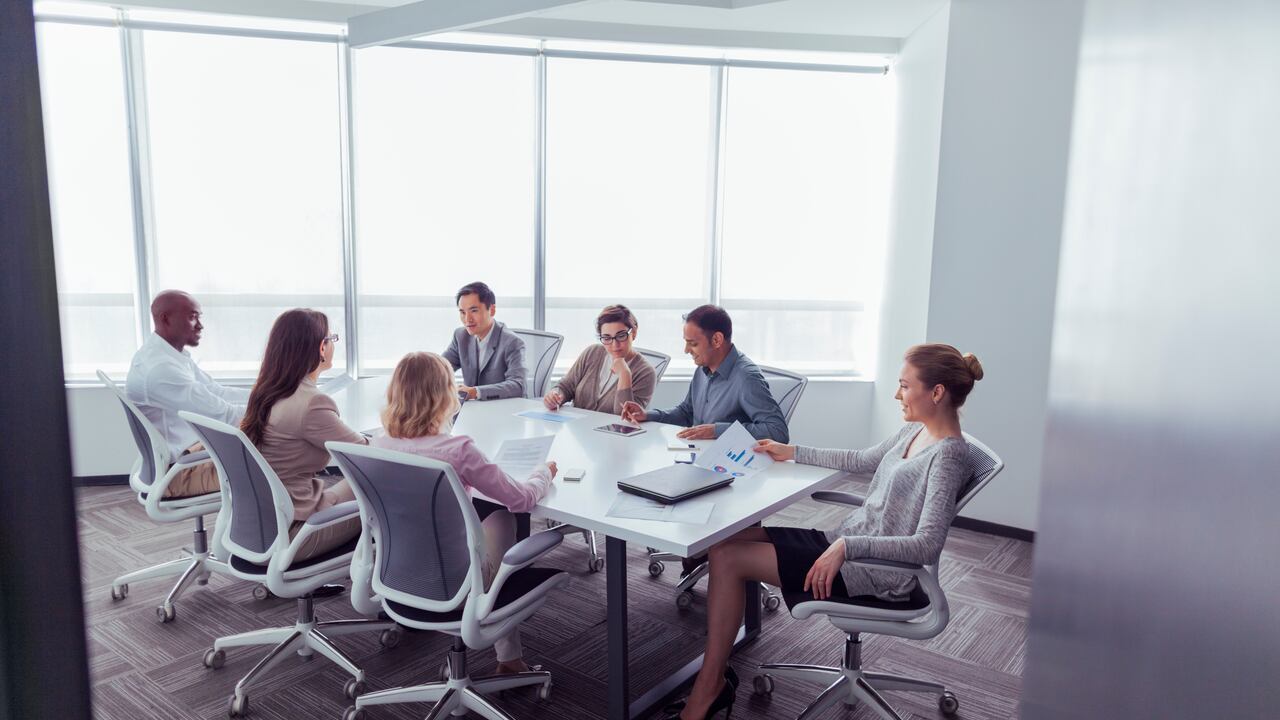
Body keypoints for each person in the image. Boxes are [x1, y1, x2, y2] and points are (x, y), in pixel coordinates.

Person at [662, 344, 983, 720]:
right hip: (845, 544)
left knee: (728, 558)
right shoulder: (915, 430)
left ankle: (709, 687)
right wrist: (791, 450)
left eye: (905, 385)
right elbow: (860, 459)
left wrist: (846, 547)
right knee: (725, 540)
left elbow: (927, 545)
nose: (898, 395)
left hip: (874, 570)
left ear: (937, 392)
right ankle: (715, 675)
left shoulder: (948, 456)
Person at [370, 351, 557, 674]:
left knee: (479, 512)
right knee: (503, 515)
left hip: (397, 573)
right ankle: (509, 658)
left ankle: (509, 658)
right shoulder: (457, 451)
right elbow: (522, 499)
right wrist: (543, 473)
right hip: (458, 582)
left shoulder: (379, 445)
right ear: (444, 395)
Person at [241, 309, 365, 561]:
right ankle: (402, 576)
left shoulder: (266, 392)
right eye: (332, 339)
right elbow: (366, 455)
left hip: (261, 527)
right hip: (296, 534)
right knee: (387, 496)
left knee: (358, 484)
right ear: (321, 348)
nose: (333, 344)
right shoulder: (311, 403)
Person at [125, 290, 249, 498]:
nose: (200, 325)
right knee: (278, 455)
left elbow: (216, 392)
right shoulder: (161, 369)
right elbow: (224, 415)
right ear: (166, 319)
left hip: (187, 454)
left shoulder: (168, 356)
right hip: (180, 473)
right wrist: (278, 408)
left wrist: (268, 395)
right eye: (192, 317)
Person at [621, 304, 787, 442]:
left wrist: (716, 430)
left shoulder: (746, 377)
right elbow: (686, 413)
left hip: (730, 464)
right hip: (699, 455)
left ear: (716, 340)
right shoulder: (703, 368)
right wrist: (647, 415)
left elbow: (778, 431)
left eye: (693, 344)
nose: (686, 350)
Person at [543, 304, 657, 414]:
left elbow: (626, 416)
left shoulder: (646, 373)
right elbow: (566, 386)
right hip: (577, 425)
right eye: (607, 338)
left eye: (621, 336)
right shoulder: (592, 353)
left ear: (634, 333)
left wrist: (624, 374)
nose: (614, 345)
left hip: (610, 428)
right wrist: (555, 396)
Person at [442, 281, 526, 400]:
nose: (467, 319)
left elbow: (518, 386)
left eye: (474, 311)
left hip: (501, 408)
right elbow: (440, 368)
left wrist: (475, 392)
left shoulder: (512, 342)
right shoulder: (461, 336)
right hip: (471, 408)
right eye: (462, 312)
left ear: (492, 310)